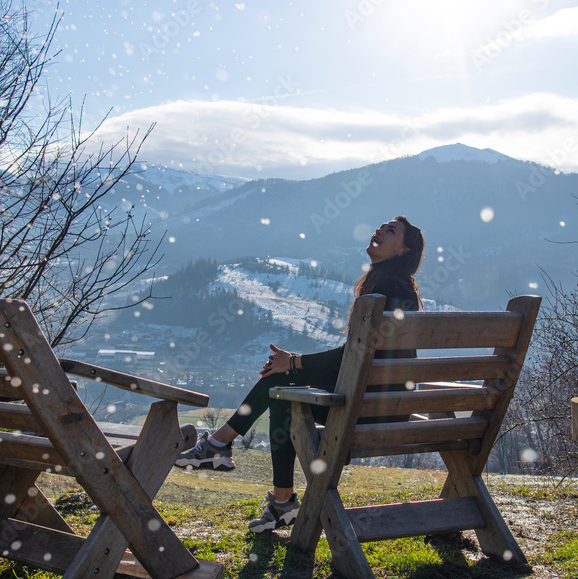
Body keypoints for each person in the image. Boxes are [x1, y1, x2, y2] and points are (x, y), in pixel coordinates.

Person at [175, 215, 425, 533]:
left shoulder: (388, 288)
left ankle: (220, 448)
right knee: (282, 393)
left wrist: (293, 363)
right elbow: (358, 358)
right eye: (382, 226)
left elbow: (354, 357)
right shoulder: (395, 287)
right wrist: (292, 364)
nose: (379, 230)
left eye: (390, 231)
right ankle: (277, 500)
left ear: (403, 251)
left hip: (374, 409)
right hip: (381, 403)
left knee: (280, 384)